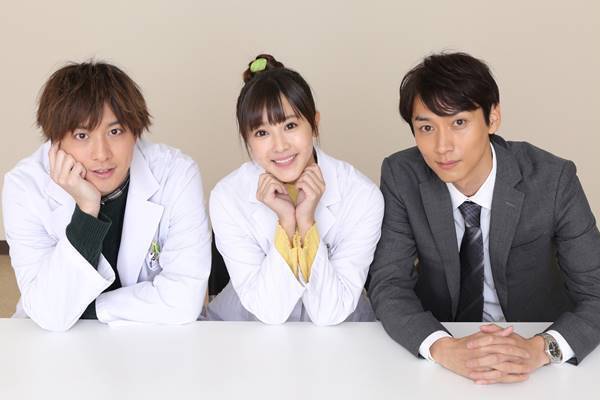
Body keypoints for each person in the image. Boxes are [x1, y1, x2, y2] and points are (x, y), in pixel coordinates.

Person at [368, 52, 600, 384]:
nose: (442, 146)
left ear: (492, 118)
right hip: (445, 347)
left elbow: (596, 291)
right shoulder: (402, 175)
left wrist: (540, 350)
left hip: (540, 354)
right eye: (426, 128)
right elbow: (388, 284)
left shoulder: (552, 179)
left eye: (459, 123)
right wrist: (443, 348)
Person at [2, 61, 211, 331]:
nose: (101, 154)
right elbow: (50, 313)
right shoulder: (25, 187)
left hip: (153, 334)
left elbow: (184, 300)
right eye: (81, 135)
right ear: (55, 141)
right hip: (58, 341)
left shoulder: (176, 173)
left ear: (135, 132)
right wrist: (87, 211)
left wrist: (89, 309)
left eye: (115, 131)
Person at [207, 54, 383, 324]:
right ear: (247, 139)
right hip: (245, 327)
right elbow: (268, 311)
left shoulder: (362, 195)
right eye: (262, 133)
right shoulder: (227, 196)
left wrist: (307, 222)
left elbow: (330, 312)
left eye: (290, 126)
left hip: (342, 333)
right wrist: (287, 223)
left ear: (314, 124)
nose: (280, 146)